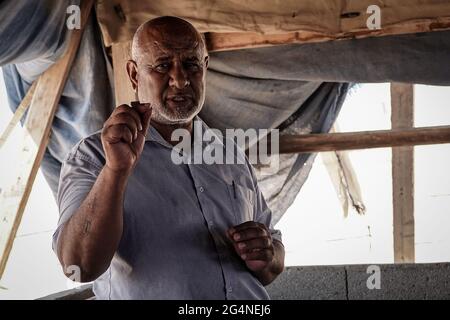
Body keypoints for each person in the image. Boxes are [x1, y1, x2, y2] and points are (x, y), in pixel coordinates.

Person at [53, 16, 284, 299]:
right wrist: (116, 171)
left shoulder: (230, 154)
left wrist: (266, 255)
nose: (181, 79)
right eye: (163, 66)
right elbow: (78, 266)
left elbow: (273, 258)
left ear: (205, 68)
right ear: (135, 74)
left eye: (191, 64)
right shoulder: (94, 156)